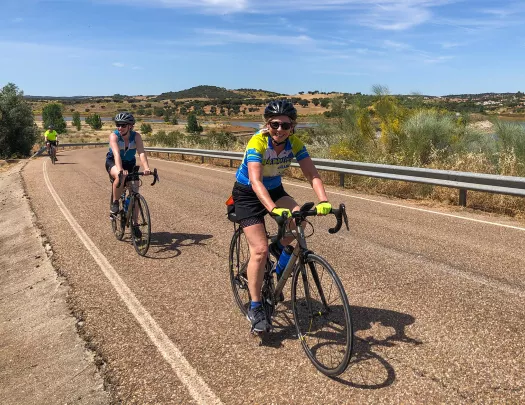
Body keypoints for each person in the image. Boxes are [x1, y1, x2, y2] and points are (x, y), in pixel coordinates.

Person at [230, 99, 332, 333]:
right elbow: (255, 181)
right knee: (260, 250)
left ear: (292, 127)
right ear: (267, 125)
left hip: (274, 189)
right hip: (247, 192)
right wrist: (273, 210)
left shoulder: (294, 143)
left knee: (300, 220)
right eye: (275, 124)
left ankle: (281, 255)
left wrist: (324, 200)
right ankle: (256, 307)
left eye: (285, 125)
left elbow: (311, 173)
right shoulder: (258, 141)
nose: (280, 129)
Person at [106, 112, 151, 236]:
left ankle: (135, 224)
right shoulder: (114, 136)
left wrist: (146, 168)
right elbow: (116, 154)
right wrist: (120, 170)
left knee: (135, 193)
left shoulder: (136, 136)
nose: (119, 128)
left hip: (130, 163)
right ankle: (115, 203)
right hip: (113, 162)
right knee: (120, 176)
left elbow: (141, 152)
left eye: (123, 125)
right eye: (117, 125)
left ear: (130, 126)